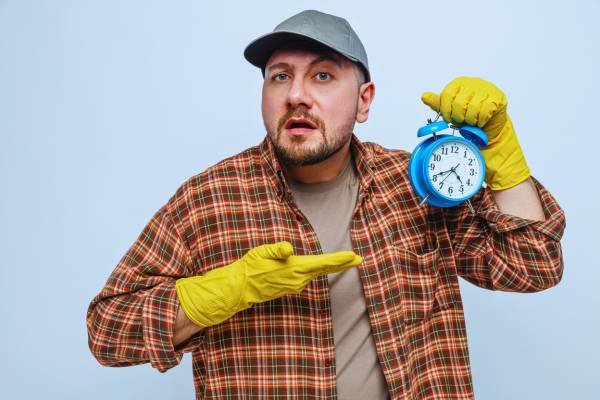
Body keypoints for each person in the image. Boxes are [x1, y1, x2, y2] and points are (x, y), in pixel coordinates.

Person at [86, 9, 565, 399]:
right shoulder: (206, 200)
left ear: (364, 100)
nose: (297, 95)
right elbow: (106, 331)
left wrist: (503, 155)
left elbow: (533, 265)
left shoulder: (418, 184)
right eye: (280, 77)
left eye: (322, 76)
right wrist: (221, 291)